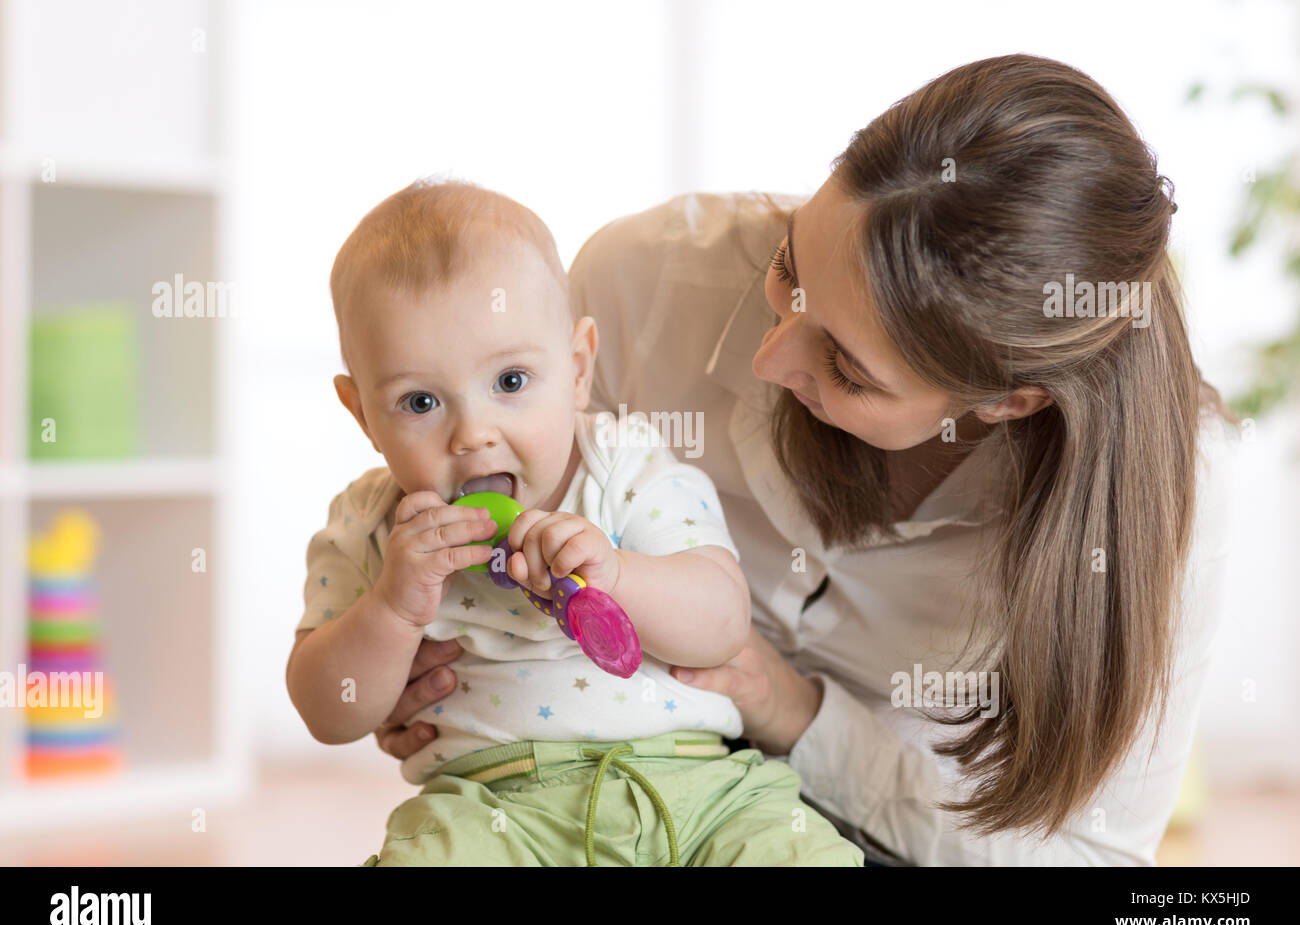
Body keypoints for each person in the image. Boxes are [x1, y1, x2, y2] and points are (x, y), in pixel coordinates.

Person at [369, 53, 1237, 865]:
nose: (771, 358)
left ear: (1009, 401)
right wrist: (409, 659)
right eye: (789, 271)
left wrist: (788, 708)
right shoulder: (647, 281)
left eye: (847, 368)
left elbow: (1082, 853)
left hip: (900, 831)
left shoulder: (1167, 490)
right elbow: (467, 443)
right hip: (592, 771)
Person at [287, 178, 865, 866]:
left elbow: (721, 623)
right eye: (419, 401)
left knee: (796, 852)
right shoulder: (371, 526)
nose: (473, 433)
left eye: (509, 383)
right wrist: (389, 611)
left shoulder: (626, 467)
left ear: (578, 369)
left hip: (699, 789)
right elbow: (329, 710)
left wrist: (618, 574)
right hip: (493, 809)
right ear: (362, 415)